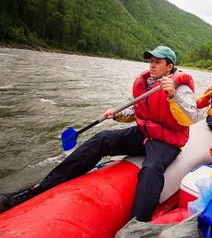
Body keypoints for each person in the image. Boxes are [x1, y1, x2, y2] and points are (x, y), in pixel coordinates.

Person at [0, 45, 199, 221]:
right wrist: (117, 113)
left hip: (167, 141)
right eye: (151, 61)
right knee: (103, 138)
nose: (152, 65)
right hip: (144, 133)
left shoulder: (179, 86)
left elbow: (191, 118)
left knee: (151, 168)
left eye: (158, 62)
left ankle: (137, 225)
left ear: (170, 66)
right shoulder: (147, 82)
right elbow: (137, 110)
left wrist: (173, 95)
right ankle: (43, 187)